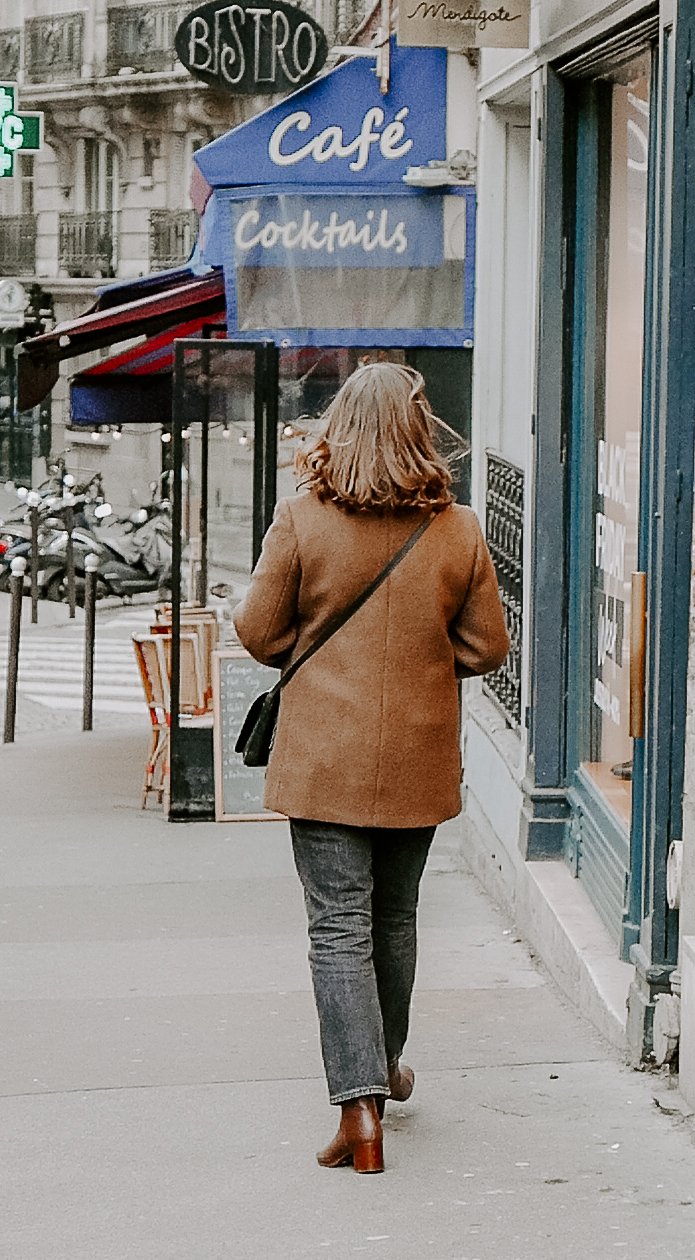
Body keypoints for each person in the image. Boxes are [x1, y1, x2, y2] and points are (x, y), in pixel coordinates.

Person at [233, 362, 510, 1174]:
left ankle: (360, 1109)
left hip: (323, 758)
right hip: (419, 756)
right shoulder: (457, 528)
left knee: (338, 927)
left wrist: (322, 661)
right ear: (421, 427)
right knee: (393, 919)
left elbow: (256, 630)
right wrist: (422, 661)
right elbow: (488, 648)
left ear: (337, 427)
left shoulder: (301, 519)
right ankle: (383, 1070)